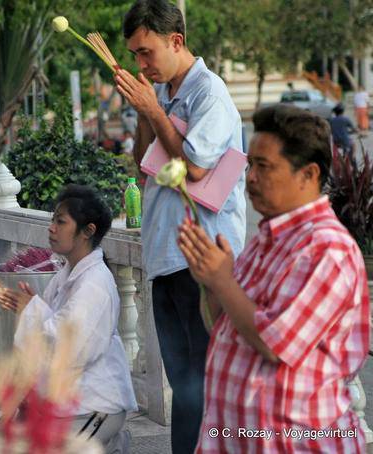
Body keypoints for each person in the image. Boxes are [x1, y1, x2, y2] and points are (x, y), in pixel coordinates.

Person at [178, 105, 370, 452]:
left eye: (263, 167)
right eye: (250, 164)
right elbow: (226, 325)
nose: (250, 177)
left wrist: (223, 281)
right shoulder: (266, 240)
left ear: (308, 175)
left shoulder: (327, 249)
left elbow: (274, 344)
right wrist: (210, 280)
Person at [113, 1, 246, 452]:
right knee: (183, 381)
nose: (141, 63)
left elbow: (192, 166)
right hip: (165, 257)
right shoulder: (165, 92)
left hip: (201, 259)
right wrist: (144, 110)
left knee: (204, 382)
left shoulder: (210, 93)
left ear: (176, 41)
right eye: (134, 55)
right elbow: (142, 164)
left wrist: (153, 109)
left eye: (146, 52)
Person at [0, 184, 137, 453]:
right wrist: (31, 308)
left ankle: (110, 443)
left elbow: (70, 348)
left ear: (88, 231)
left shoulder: (95, 284)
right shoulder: (67, 274)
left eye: (61, 222)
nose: (51, 227)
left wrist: (32, 310)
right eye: (53, 220)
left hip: (96, 406)